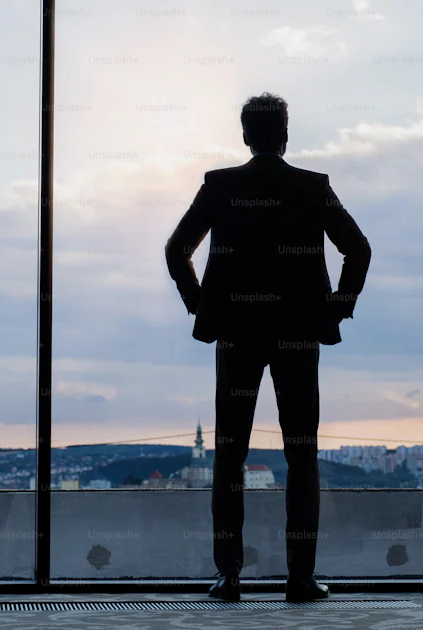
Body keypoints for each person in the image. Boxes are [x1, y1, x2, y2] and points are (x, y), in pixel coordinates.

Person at [164, 92, 372, 602]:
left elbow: (176, 249)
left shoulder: (219, 186)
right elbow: (358, 249)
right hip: (298, 333)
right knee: (302, 455)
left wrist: (200, 304)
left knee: (229, 457)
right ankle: (300, 579)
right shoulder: (313, 187)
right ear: (284, 134)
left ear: (244, 136)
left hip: (236, 332)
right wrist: (337, 308)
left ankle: (229, 576)